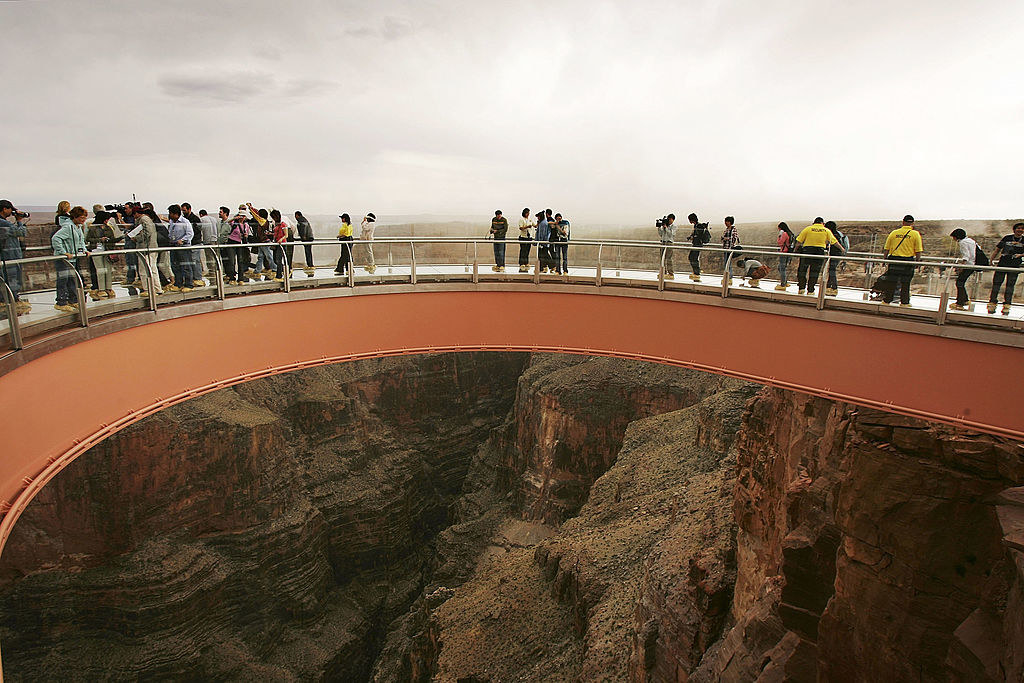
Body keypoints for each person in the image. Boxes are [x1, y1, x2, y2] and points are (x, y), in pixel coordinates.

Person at [51, 205, 88, 312]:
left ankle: (73, 300)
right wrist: (63, 252)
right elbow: (56, 238)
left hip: (73, 258)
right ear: (75, 217)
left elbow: (81, 241)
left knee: (72, 279)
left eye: (84, 217)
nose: (83, 220)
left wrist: (84, 250)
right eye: (81, 218)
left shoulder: (78, 227)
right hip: (63, 260)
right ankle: (61, 302)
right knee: (63, 280)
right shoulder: (68, 227)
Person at [881, 215, 923, 306]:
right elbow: (918, 250)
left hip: (894, 260)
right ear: (912, 223)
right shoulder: (915, 234)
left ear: (903, 222)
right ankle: (904, 302)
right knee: (905, 282)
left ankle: (887, 301)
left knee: (891, 282)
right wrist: (918, 262)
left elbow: (886, 248)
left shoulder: (894, 233)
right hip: (907, 261)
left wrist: (884, 260)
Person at [794, 217, 842, 295]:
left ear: (814, 223)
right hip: (819, 253)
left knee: (802, 271)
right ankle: (810, 290)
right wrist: (842, 249)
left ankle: (801, 288)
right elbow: (835, 242)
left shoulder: (808, 229)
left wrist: (795, 250)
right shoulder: (826, 230)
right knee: (814, 272)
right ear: (822, 223)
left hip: (807, 252)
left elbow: (799, 241)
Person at [0, 199, 31, 315]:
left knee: (6, 279)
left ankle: (6, 300)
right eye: (10, 209)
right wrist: (19, 220)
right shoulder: (3, 223)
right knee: (13, 279)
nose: (11, 212)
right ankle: (12, 300)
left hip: (7, 255)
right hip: (9, 256)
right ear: (4, 209)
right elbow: (21, 232)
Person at [986, 222, 1024, 315]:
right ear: (1014, 229)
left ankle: (1007, 305)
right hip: (1003, 263)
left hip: (1015, 265)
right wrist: (991, 260)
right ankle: (992, 303)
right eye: (1018, 228)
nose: (1020, 230)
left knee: (1010, 285)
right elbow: (997, 249)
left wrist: (1021, 255)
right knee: (996, 284)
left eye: (1022, 229)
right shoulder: (1007, 238)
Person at [85, 210, 119, 299]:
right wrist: (100, 240)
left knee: (108, 270)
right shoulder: (92, 228)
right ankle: (101, 289)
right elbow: (88, 239)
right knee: (100, 270)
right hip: (96, 250)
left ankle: (108, 288)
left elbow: (112, 238)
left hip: (107, 251)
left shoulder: (108, 228)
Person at [948, 228, 982, 310]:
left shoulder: (962, 242)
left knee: (959, 282)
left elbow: (966, 256)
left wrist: (962, 266)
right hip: (974, 264)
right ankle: (965, 300)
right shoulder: (970, 240)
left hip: (969, 265)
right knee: (961, 282)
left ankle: (960, 302)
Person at [166, 204, 195, 292]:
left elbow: (190, 234)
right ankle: (178, 283)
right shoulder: (171, 222)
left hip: (183, 247)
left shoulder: (184, 221)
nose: (169, 215)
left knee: (186, 266)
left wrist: (182, 240)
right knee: (175, 265)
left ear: (175, 213)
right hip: (174, 246)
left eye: (170, 213)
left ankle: (189, 284)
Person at [181, 202, 205, 287]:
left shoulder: (195, 219)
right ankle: (193, 278)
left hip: (195, 242)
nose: (183, 212)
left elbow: (197, 230)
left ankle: (198, 278)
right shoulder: (184, 219)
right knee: (190, 261)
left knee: (195, 260)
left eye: (184, 210)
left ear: (189, 209)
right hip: (189, 243)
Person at [824, 221, 849, 296]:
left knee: (832, 270)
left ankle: (834, 287)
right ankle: (828, 287)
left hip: (834, 254)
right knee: (831, 270)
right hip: (838, 254)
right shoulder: (838, 233)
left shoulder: (833, 235)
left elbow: (834, 244)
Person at [686, 213, 709, 282]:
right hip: (696, 244)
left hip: (698, 244)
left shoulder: (699, 226)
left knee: (693, 258)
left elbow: (699, 235)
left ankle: (697, 272)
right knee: (692, 257)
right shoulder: (696, 225)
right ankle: (695, 271)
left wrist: (695, 237)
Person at [197, 208, 218, 278]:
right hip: (215, 239)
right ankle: (218, 271)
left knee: (209, 257)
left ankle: (212, 272)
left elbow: (200, 228)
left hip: (208, 240)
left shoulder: (202, 219)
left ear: (201, 214)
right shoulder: (214, 219)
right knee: (216, 257)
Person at [776, 222, 796, 291]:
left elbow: (780, 242)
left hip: (784, 252)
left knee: (782, 268)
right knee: (781, 267)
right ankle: (785, 282)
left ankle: (783, 284)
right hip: (789, 252)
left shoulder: (784, 234)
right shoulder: (791, 234)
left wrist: (779, 236)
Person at [295, 211, 315, 276]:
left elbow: (304, 227)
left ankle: (310, 265)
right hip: (309, 237)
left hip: (307, 238)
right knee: (308, 251)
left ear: (297, 215)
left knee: (308, 251)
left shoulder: (301, 220)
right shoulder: (304, 219)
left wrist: (303, 236)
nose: (295, 217)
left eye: (295, 216)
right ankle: (310, 264)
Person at [270, 209, 288, 281]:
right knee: (275, 259)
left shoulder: (283, 224)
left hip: (281, 244)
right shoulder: (275, 224)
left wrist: (281, 239)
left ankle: (279, 275)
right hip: (276, 243)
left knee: (278, 259)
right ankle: (282, 271)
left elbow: (286, 235)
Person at [721, 216, 740, 282]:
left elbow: (734, 238)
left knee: (728, 263)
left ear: (730, 222)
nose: (726, 223)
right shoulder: (726, 229)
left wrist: (726, 238)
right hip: (725, 248)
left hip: (730, 248)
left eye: (727, 221)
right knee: (726, 263)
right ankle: (727, 276)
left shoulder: (733, 229)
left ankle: (730, 277)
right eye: (725, 221)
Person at [657, 213, 676, 279]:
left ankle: (671, 273)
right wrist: (659, 228)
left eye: (670, 219)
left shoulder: (674, 226)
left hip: (669, 243)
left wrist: (666, 228)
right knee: (662, 258)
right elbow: (661, 234)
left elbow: (671, 235)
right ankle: (663, 272)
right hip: (663, 242)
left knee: (669, 258)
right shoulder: (665, 226)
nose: (669, 220)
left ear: (673, 220)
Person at [516, 208, 534, 273]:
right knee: (523, 250)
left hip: (529, 237)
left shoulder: (530, 219)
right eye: (527, 213)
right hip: (523, 237)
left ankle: (526, 262)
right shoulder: (521, 219)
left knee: (527, 250)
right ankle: (521, 263)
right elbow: (521, 228)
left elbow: (534, 225)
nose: (528, 214)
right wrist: (527, 227)